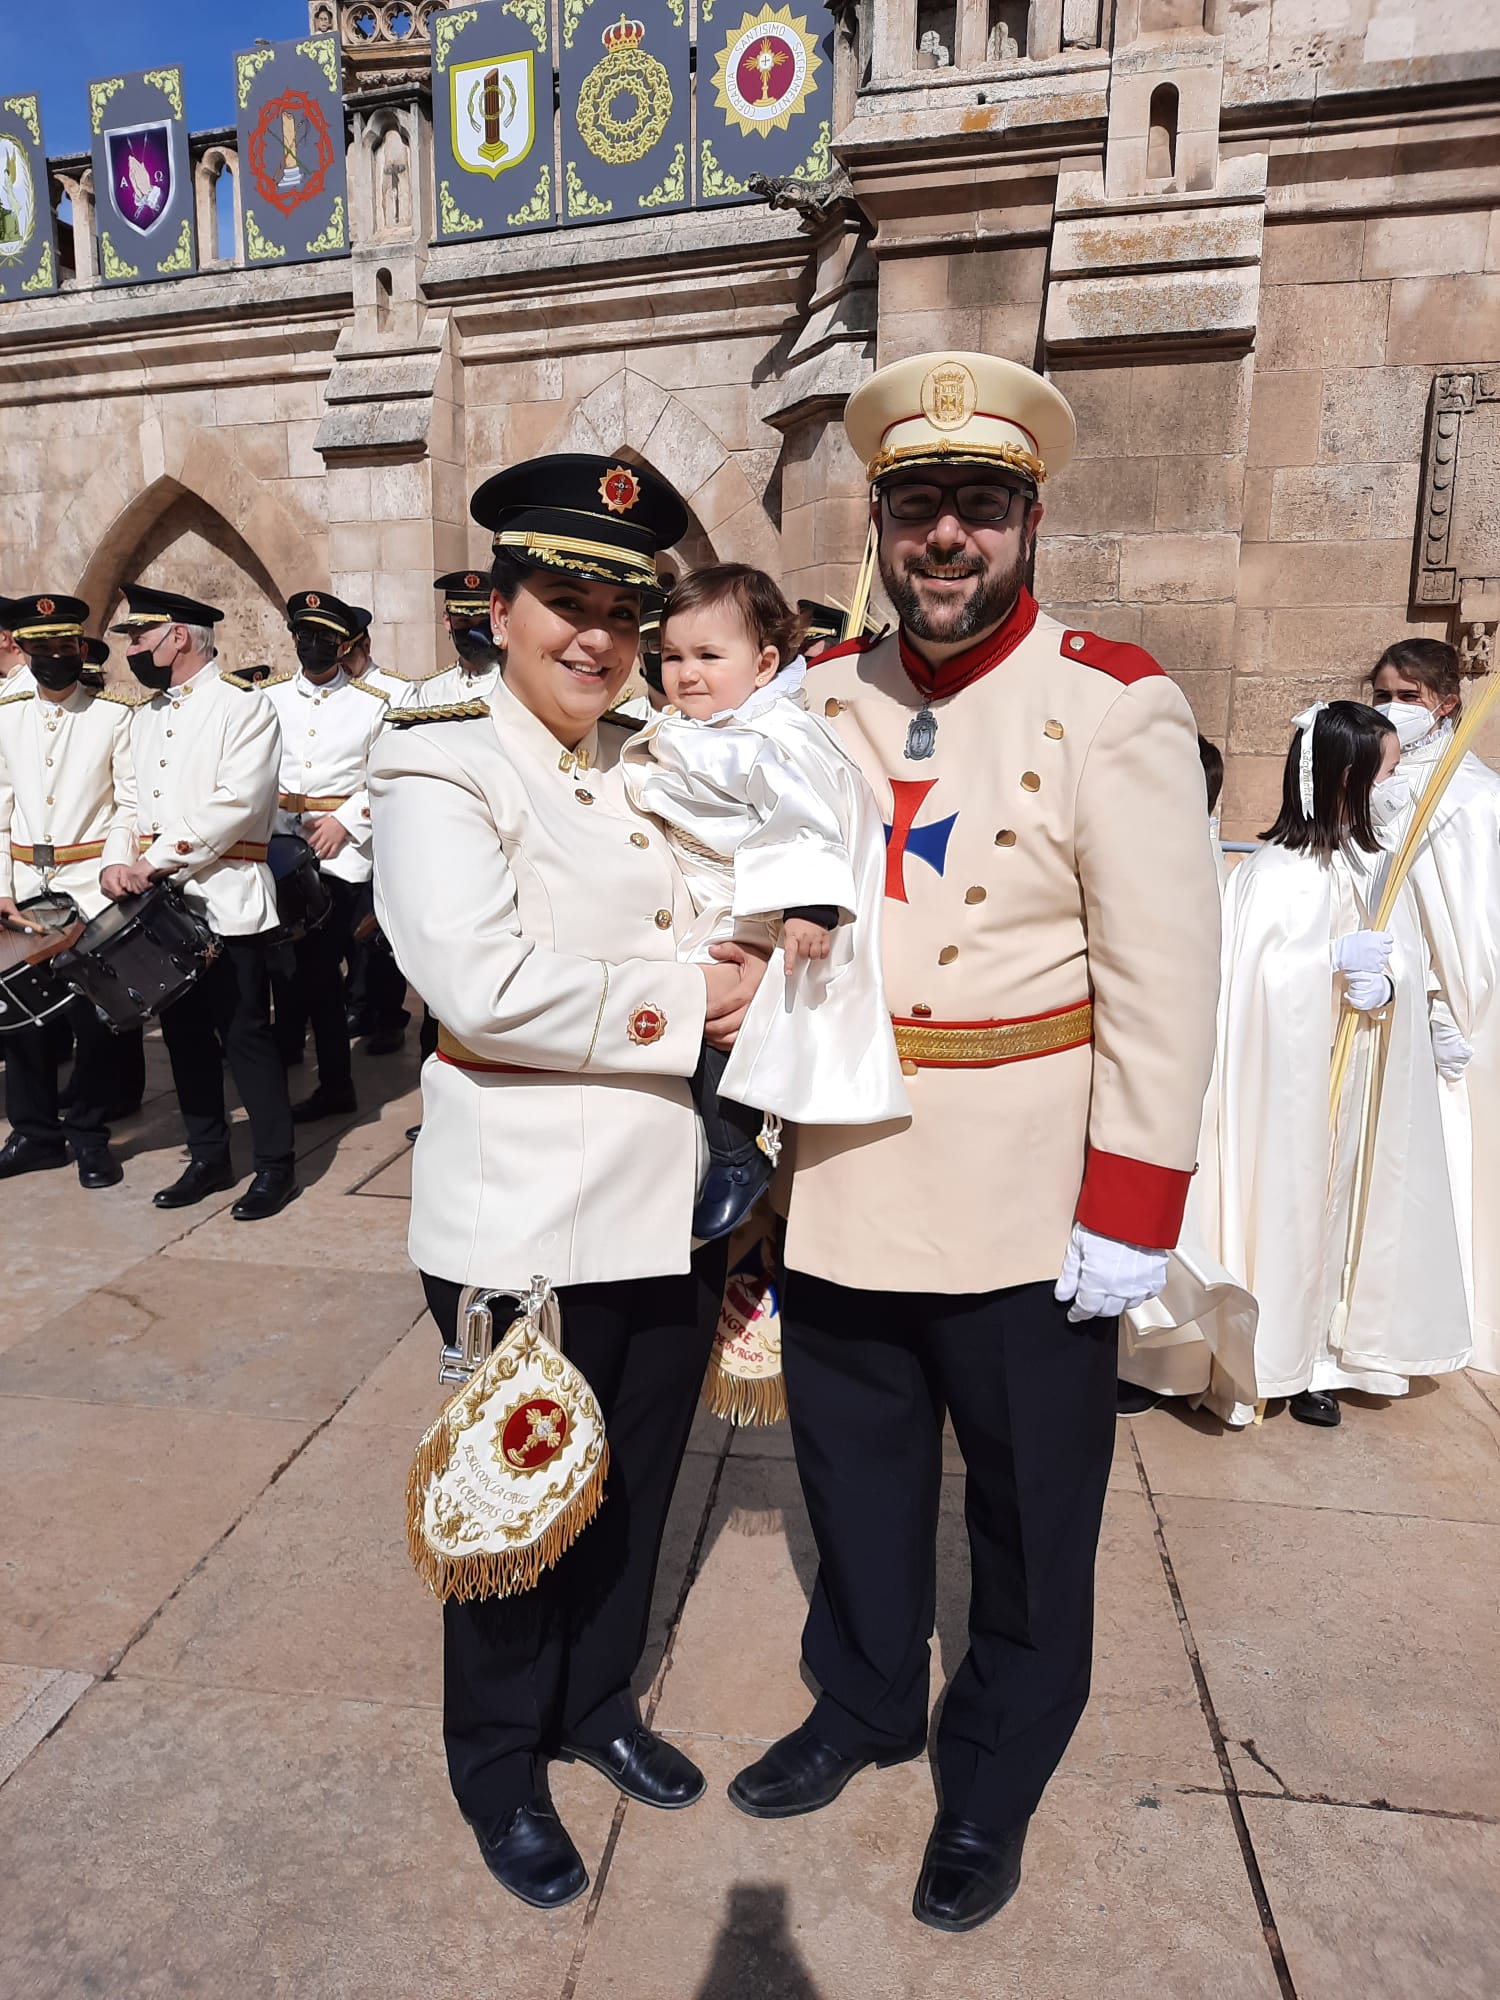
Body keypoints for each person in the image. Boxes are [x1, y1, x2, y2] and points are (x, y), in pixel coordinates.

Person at [731, 351, 1222, 1935]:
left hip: (1030, 1201)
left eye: (981, 509)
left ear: (1027, 523)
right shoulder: (812, 700)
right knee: (854, 1485)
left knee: (1027, 1518)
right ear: (877, 523)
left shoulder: (1112, 699)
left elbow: (1164, 976)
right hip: (849, 1175)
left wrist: (1132, 1203)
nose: (948, 538)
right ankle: (867, 1701)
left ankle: (992, 1772)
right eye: (920, 507)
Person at [367, 454, 768, 1913]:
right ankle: (498, 1765)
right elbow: (478, 980)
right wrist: (690, 993)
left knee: (637, 1488)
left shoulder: (648, 758)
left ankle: (597, 1706)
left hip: (668, 1202)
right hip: (521, 1213)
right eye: (564, 600)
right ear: (500, 603)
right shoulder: (440, 758)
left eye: (622, 607)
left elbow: (738, 890)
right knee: (517, 1503)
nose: (594, 634)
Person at [620, 563, 906, 1239]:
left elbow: (809, 817)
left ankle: (737, 1154)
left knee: (714, 1024)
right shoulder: (705, 724)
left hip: (748, 905)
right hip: (706, 892)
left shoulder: (773, 735)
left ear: (765, 662)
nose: (687, 673)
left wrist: (808, 906)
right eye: (674, 657)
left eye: (709, 657)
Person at [1206, 700, 1470, 1427]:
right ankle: (1272, 1355)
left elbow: (1401, 952)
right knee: (1289, 1207)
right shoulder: (1273, 874)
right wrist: (1325, 962)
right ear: (1345, 777)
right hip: (1291, 1085)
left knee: (1339, 1214)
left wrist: (1389, 982)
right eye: (1384, 773)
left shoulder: (1368, 862)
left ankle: (1320, 1351)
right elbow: (1246, 986)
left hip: (1356, 1081)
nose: (1393, 788)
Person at [99, 585, 300, 1221]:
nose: (131, 649)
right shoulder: (143, 716)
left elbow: (235, 804)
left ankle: (274, 1166)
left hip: (227, 898)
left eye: (139, 637)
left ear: (178, 636)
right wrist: (114, 861)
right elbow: (128, 804)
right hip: (159, 909)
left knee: (244, 1035)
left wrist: (152, 862)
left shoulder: (245, 707)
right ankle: (208, 1155)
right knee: (183, 1036)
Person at [1367, 637, 1500, 1376]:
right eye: (1383, 692)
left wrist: (1447, 1006)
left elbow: (1477, 920)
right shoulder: (1362, 776)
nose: (1392, 708)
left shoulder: (1476, 798)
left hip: (1448, 1015)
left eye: (1409, 697)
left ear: (1447, 703)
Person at [0, 594, 138, 1187]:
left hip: (89, 888)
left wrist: (112, 867)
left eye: (64, 646)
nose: (54, 658)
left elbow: (130, 804)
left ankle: (88, 1135)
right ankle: (33, 1133)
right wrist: (1, 886)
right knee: (21, 1022)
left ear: (81, 649)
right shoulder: (5, 717)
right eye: (42, 648)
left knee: (92, 1020)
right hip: (25, 886)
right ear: (24, 651)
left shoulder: (114, 717)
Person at [261, 591, 389, 1120]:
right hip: (276, 850)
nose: (314, 646)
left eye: (326, 639)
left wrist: (346, 821)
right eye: (306, 636)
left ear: (345, 645)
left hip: (341, 859)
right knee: (287, 971)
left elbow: (384, 779)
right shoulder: (265, 699)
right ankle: (293, 1054)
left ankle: (336, 1083)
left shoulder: (372, 705)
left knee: (317, 972)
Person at [341, 604, 415, 1057]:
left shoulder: (396, 693)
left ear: (365, 647)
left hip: (379, 829)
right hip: (335, 841)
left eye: (348, 652)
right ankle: (358, 1003)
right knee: (346, 934)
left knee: (380, 932)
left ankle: (390, 1016)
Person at [407, 571, 503, 709]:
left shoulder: (511, 683)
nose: (475, 633)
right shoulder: (432, 691)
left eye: (483, 622)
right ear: (447, 621)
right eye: (464, 621)